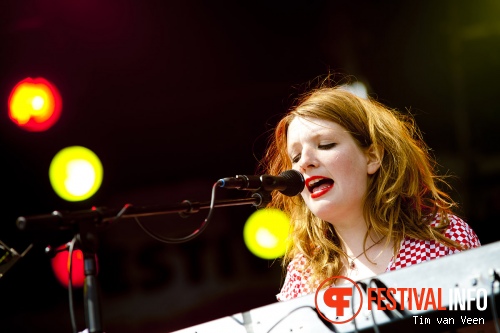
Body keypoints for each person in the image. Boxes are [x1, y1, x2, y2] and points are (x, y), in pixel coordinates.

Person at [259, 81, 481, 301]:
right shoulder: (303, 273)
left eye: (325, 144)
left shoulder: (440, 240)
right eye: (295, 157)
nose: (304, 162)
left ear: (372, 157)